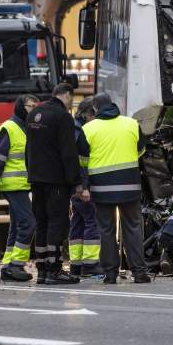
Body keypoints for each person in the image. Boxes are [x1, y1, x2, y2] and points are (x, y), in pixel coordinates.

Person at [77, 93, 150, 284]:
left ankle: (110, 274)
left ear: (95, 109)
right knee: (133, 228)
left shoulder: (88, 128)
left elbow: (83, 160)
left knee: (106, 230)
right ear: (113, 104)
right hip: (130, 187)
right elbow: (141, 150)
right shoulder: (131, 124)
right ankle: (139, 272)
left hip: (102, 189)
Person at [26, 82, 82, 285]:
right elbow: (68, 152)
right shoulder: (63, 117)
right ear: (66, 95)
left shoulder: (34, 114)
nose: (70, 104)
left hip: (36, 179)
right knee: (57, 223)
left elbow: (28, 149)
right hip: (56, 181)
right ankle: (54, 269)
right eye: (71, 99)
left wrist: (31, 174)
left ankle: (41, 269)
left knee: (41, 222)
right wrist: (76, 181)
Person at [0, 94, 39, 282]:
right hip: (12, 185)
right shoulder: (10, 128)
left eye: (35, 105)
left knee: (17, 226)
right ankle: (16, 265)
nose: (34, 109)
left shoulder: (25, 128)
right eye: (31, 106)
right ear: (21, 107)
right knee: (29, 223)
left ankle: (8, 267)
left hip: (21, 185)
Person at [69, 97, 101, 277]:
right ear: (89, 114)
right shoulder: (81, 130)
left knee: (78, 222)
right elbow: (82, 162)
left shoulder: (74, 128)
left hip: (75, 185)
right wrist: (84, 186)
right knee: (91, 220)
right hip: (82, 186)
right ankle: (90, 264)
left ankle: (76, 265)